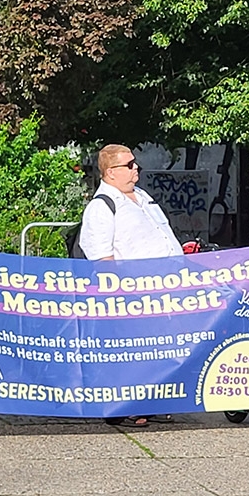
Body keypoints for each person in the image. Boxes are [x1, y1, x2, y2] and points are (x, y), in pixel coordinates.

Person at [81, 144, 183, 426]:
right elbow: (101, 257)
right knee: (131, 351)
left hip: (164, 289)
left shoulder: (141, 196)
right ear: (111, 172)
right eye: (129, 165)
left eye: (135, 163)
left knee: (157, 349)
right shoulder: (102, 207)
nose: (136, 168)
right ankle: (121, 408)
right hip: (133, 293)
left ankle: (151, 401)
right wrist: (122, 292)